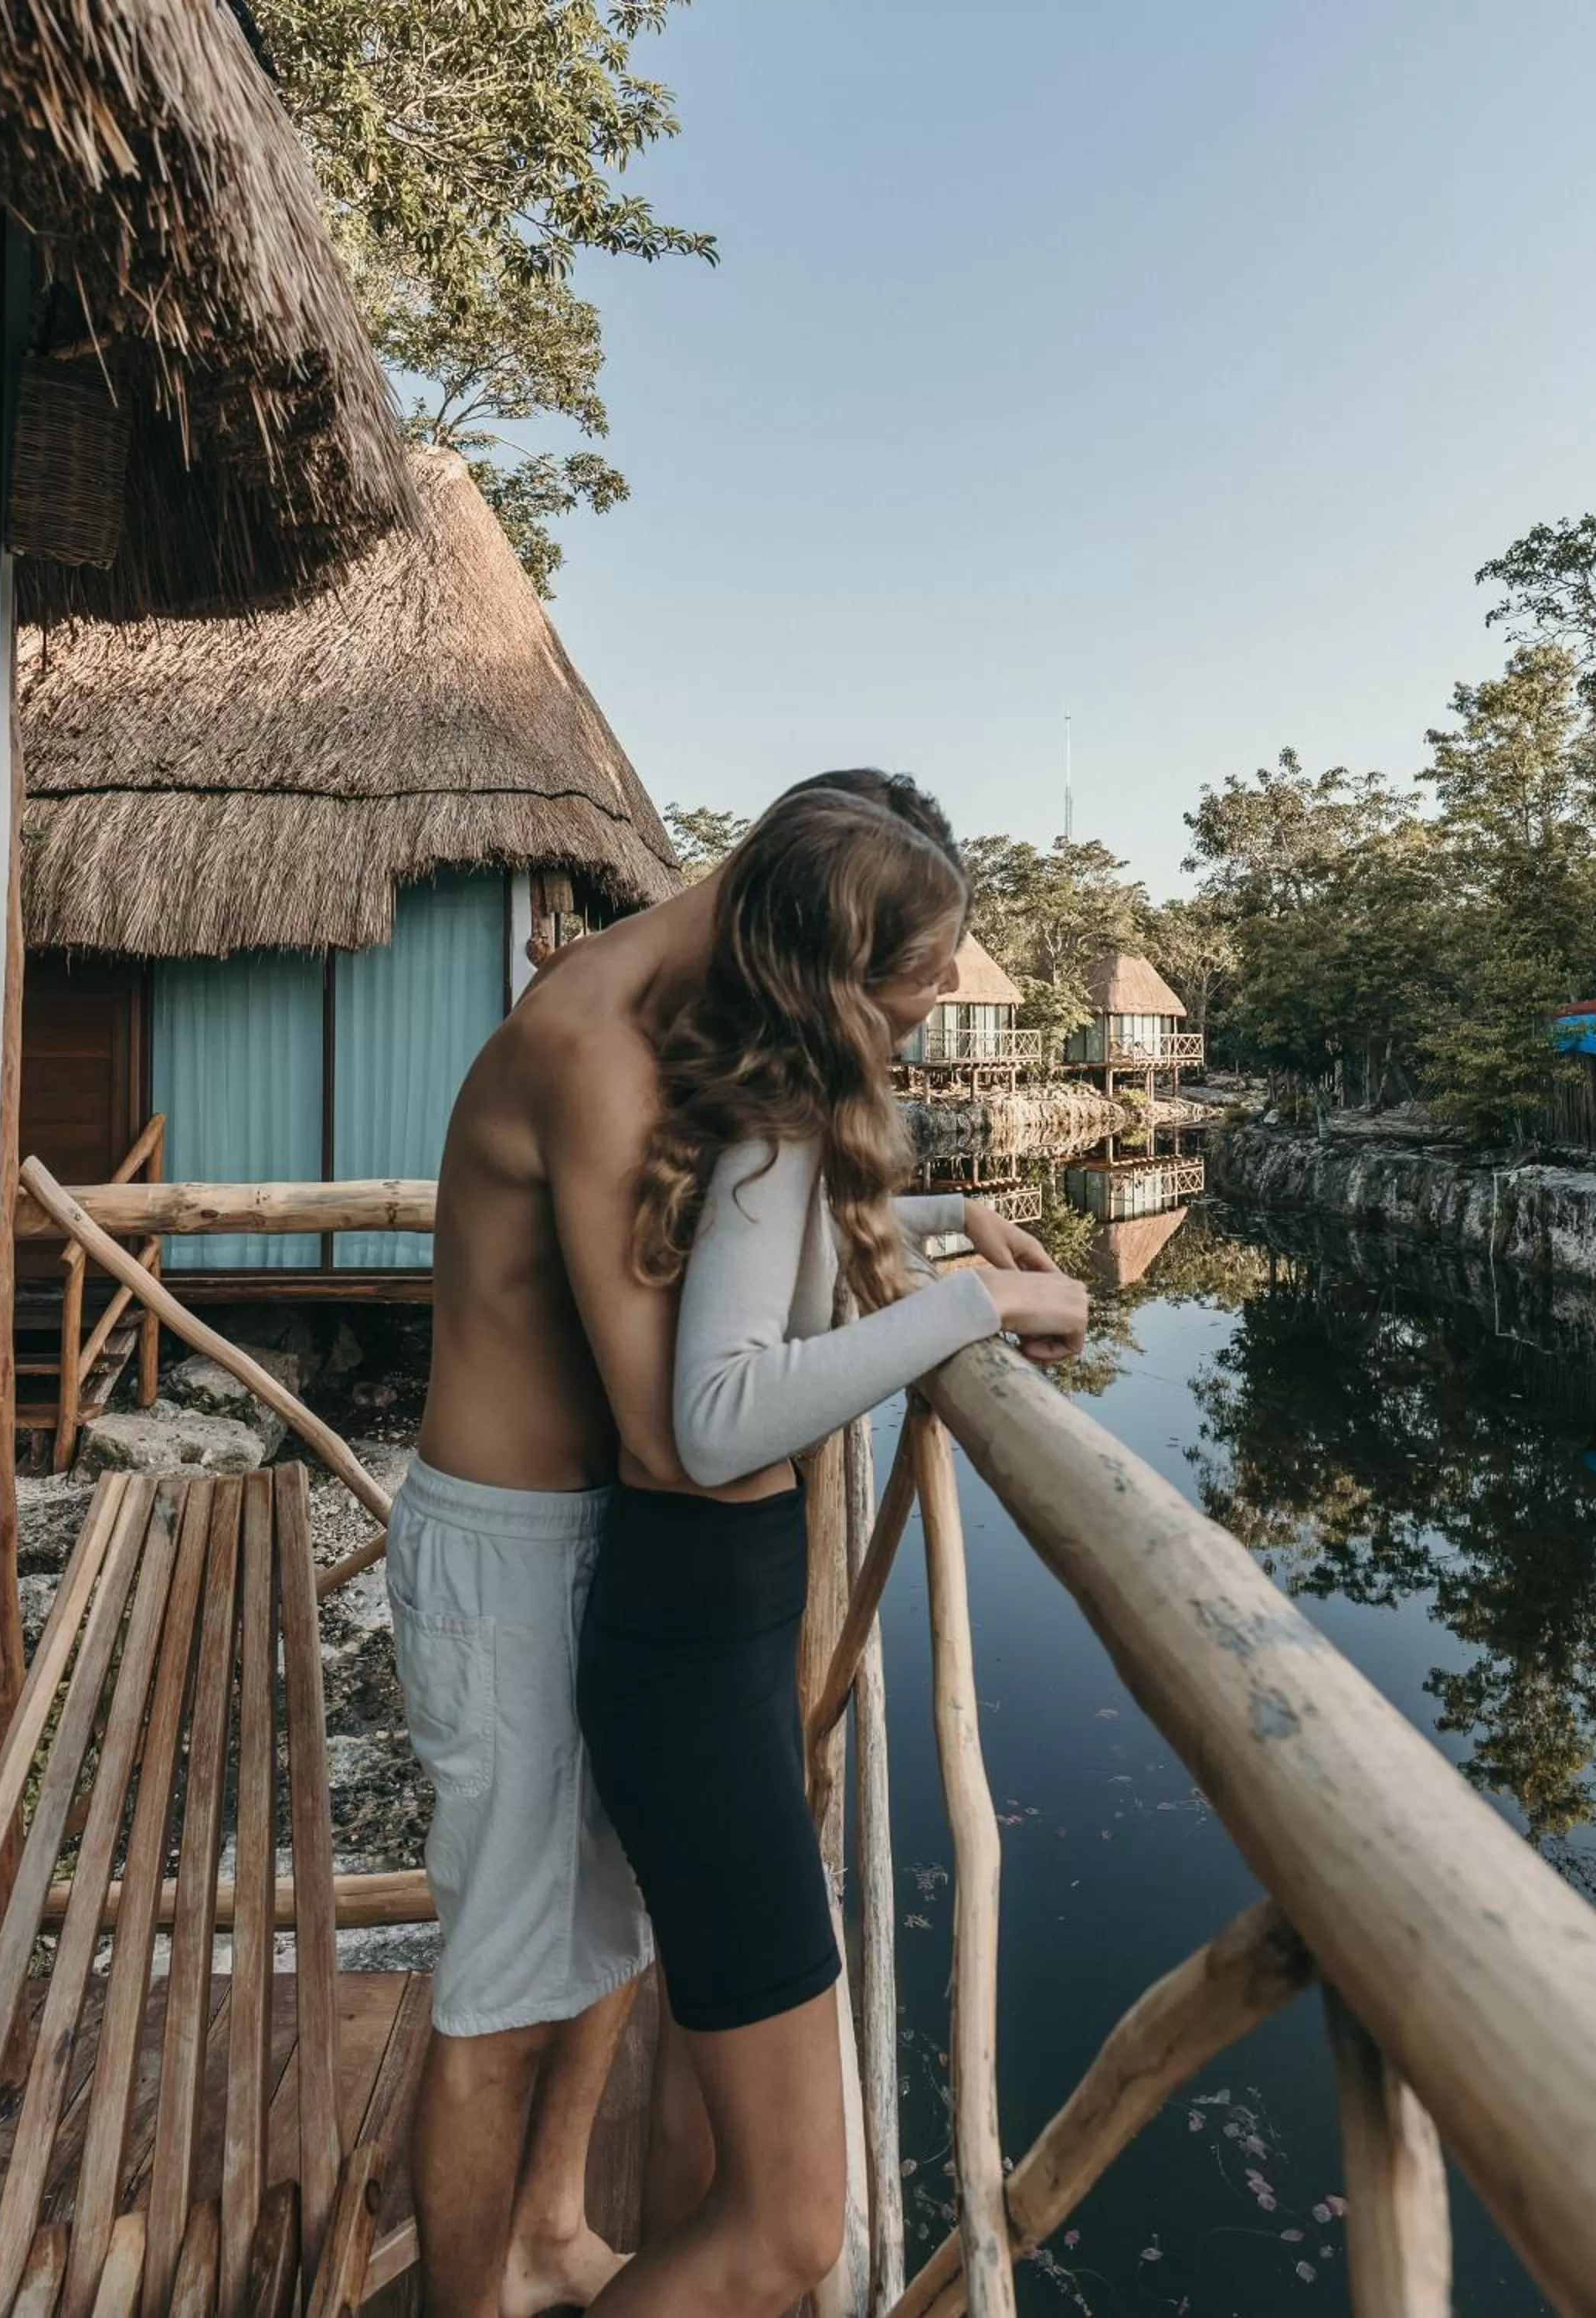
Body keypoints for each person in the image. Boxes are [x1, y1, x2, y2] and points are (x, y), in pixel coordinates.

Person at [395, 768, 1076, 2318]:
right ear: (829, 963)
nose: (893, 1044)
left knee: (609, 1928)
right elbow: (684, 1426)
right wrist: (945, 1305)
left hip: (615, 1554)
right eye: (896, 1017)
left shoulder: (692, 1026)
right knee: (502, 1987)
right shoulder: (591, 1041)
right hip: (517, 1547)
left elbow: (745, 1288)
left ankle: (558, 2231)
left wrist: (910, 1269)